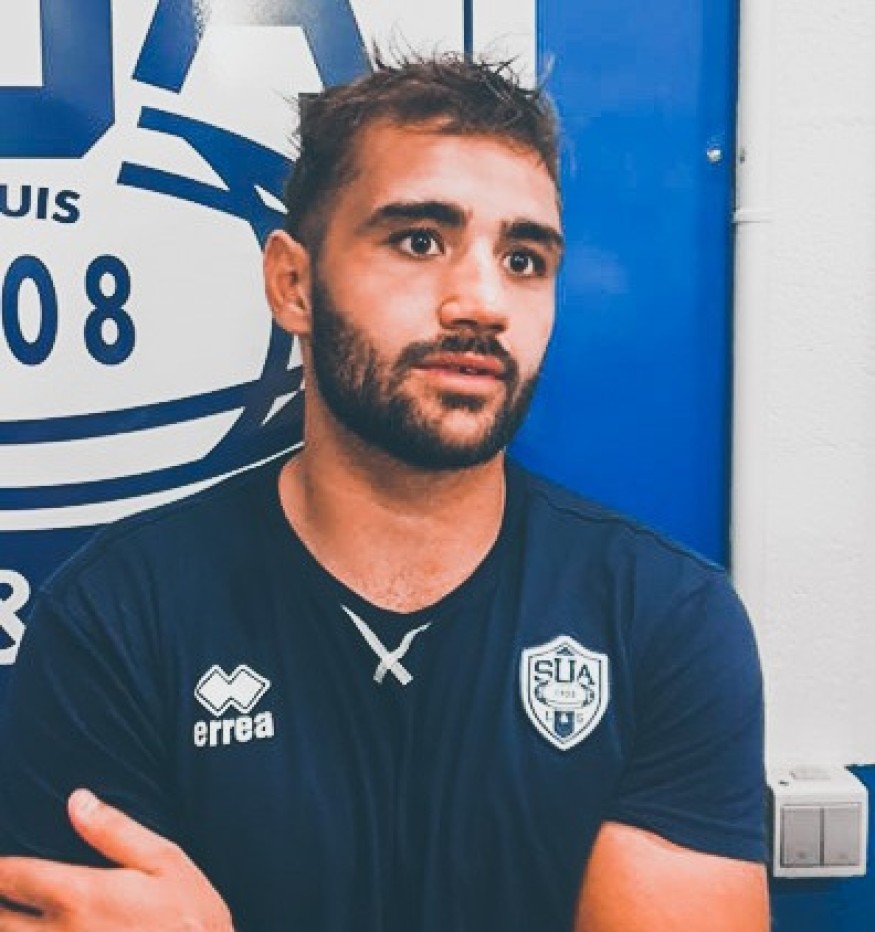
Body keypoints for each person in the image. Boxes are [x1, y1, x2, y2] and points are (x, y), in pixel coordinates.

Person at [0, 54, 768, 931]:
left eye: (523, 259)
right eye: (419, 241)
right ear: (293, 284)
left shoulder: (660, 620)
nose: (481, 302)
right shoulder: (117, 619)